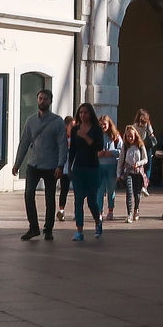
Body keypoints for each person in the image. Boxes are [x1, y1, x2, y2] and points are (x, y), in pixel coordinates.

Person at [9, 86, 65, 241]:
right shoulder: (31, 120)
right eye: (40, 98)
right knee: (28, 194)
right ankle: (33, 227)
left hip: (51, 165)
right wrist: (17, 163)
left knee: (49, 198)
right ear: (37, 100)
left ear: (50, 101)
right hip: (33, 164)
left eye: (45, 99)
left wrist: (60, 165)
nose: (42, 101)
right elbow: (24, 142)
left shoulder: (57, 121)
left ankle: (48, 229)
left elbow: (62, 145)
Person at [65, 102, 105, 241]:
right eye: (81, 112)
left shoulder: (96, 129)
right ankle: (79, 231)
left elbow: (99, 147)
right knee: (78, 200)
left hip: (93, 168)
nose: (82, 115)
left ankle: (98, 221)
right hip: (78, 168)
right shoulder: (75, 129)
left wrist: (86, 137)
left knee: (92, 201)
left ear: (90, 114)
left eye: (85, 112)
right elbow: (73, 150)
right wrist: (69, 166)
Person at [118, 125, 150, 223]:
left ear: (135, 135)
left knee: (137, 193)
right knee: (129, 192)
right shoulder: (125, 147)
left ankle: (136, 209)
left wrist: (138, 163)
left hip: (138, 172)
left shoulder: (140, 146)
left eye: (131, 136)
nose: (130, 138)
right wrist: (118, 174)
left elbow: (145, 159)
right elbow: (120, 160)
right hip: (128, 172)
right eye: (128, 136)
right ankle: (129, 214)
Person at [96, 114, 122, 222]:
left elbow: (121, 150)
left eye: (105, 124)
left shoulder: (115, 136)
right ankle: (99, 212)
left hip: (111, 166)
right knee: (99, 190)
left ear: (109, 124)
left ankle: (110, 210)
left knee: (111, 190)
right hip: (99, 166)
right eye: (101, 124)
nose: (103, 126)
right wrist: (97, 154)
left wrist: (111, 153)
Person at [133, 109, 159, 189]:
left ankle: (139, 183)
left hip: (137, 147)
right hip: (146, 147)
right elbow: (151, 134)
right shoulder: (147, 124)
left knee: (139, 165)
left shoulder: (134, 125)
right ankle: (145, 184)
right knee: (148, 167)